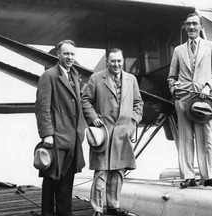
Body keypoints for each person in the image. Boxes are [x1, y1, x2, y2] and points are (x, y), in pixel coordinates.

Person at [81, 48, 143, 216]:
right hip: (104, 133)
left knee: (118, 171)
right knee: (101, 172)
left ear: (123, 61)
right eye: (113, 61)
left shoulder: (131, 79)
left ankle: (113, 206)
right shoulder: (96, 78)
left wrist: (133, 123)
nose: (116, 64)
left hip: (123, 133)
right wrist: (93, 118)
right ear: (108, 61)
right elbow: (85, 100)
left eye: (119, 61)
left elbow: (138, 103)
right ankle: (98, 209)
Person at [167, 13, 212, 188]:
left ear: (201, 27)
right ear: (185, 27)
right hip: (184, 100)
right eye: (188, 24)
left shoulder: (211, 46)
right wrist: (174, 90)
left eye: (195, 24)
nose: (192, 27)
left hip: (204, 100)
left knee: (206, 138)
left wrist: (208, 87)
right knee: (185, 138)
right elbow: (171, 77)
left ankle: (208, 177)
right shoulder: (178, 50)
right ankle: (188, 177)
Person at [35, 40, 85, 216]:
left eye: (72, 54)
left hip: (73, 138)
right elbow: (42, 107)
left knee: (66, 182)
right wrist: (47, 134)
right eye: (66, 54)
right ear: (58, 54)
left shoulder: (74, 76)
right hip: (56, 138)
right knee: (51, 180)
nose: (70, 57)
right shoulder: (48, 76)